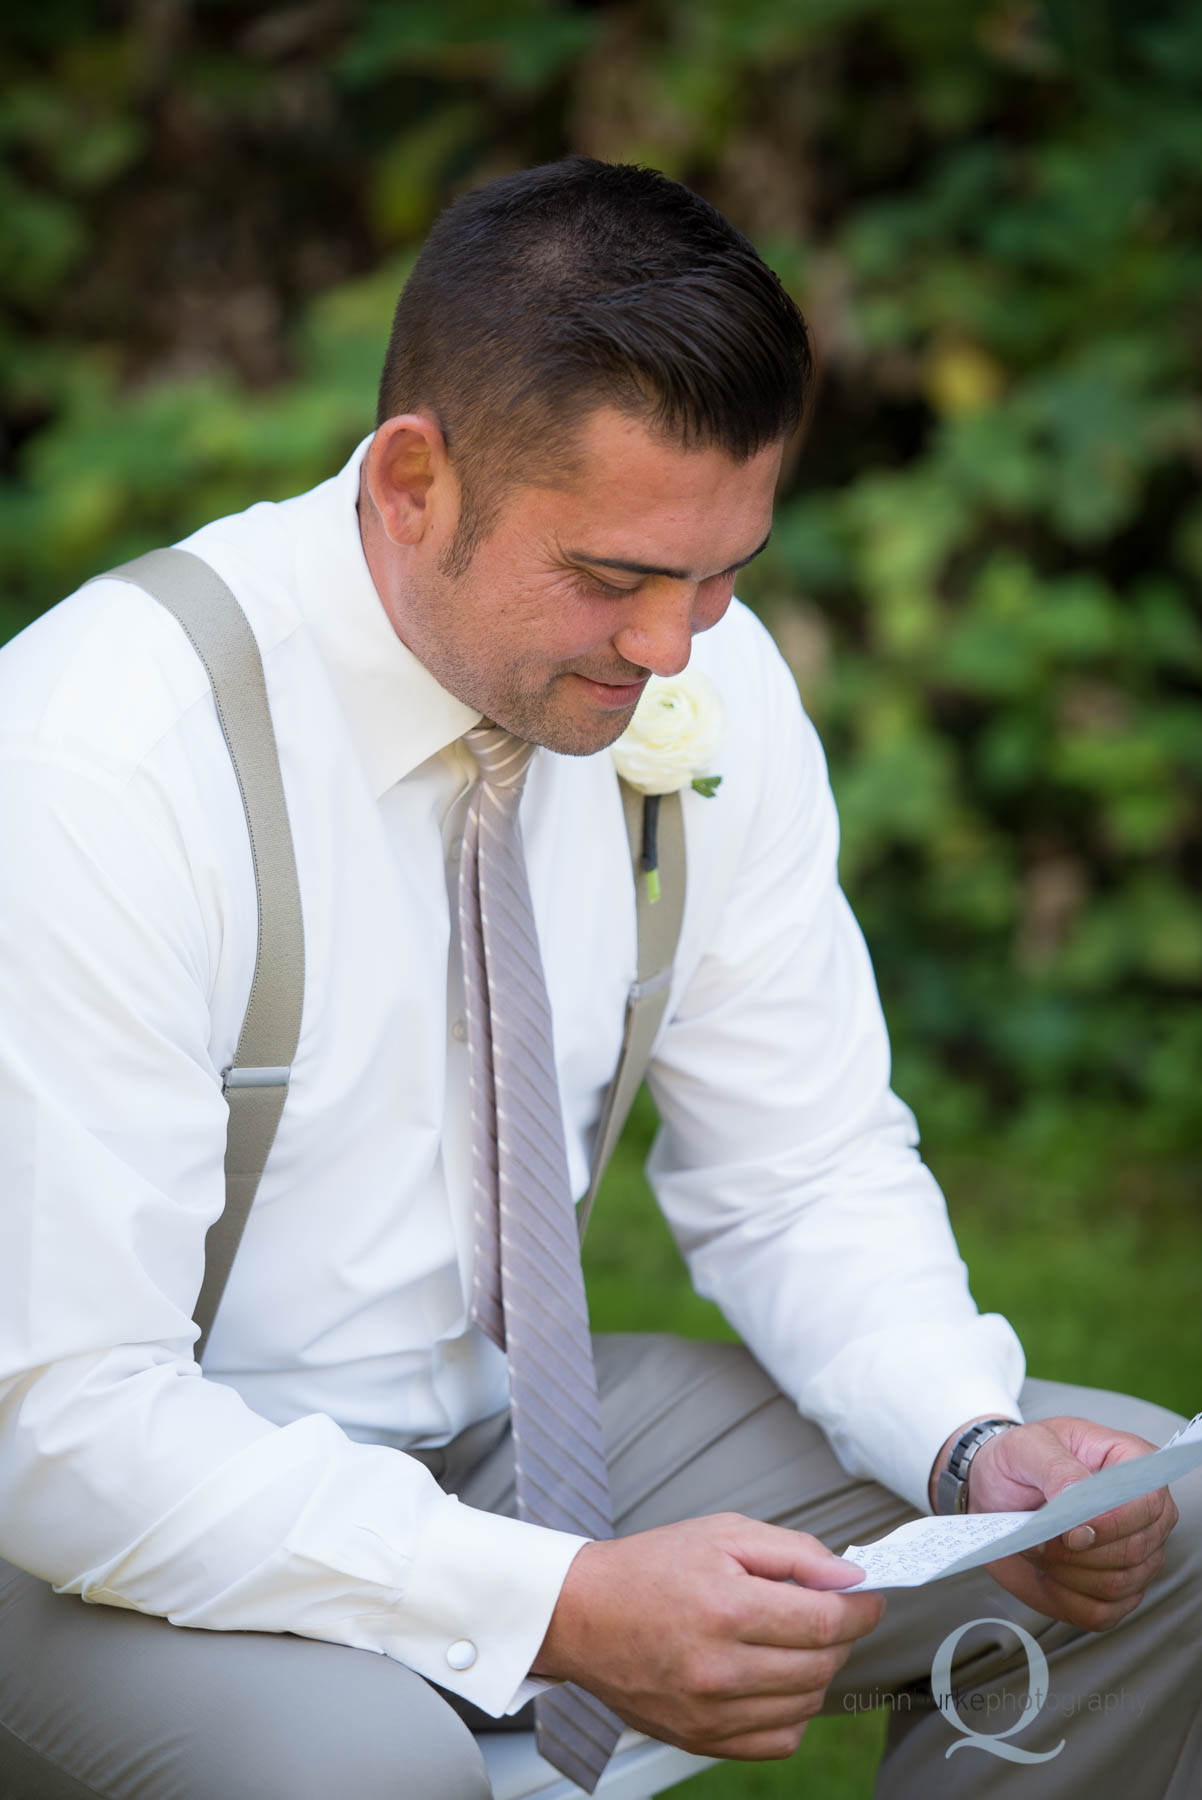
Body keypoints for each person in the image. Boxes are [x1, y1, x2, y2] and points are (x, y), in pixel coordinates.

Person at [0, 156, 1196, 1800]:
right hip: (85, 1524)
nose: (673, 652)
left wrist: (965, 1441)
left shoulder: (702, 684)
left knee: (1155, 1530)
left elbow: (800, 1167)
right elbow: (60, 1427)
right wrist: (561, 1605)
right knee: (358, 1776)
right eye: (614, 578)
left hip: (497, 1447)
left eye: (722, 574)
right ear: (413, 482)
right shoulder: (100, 755)